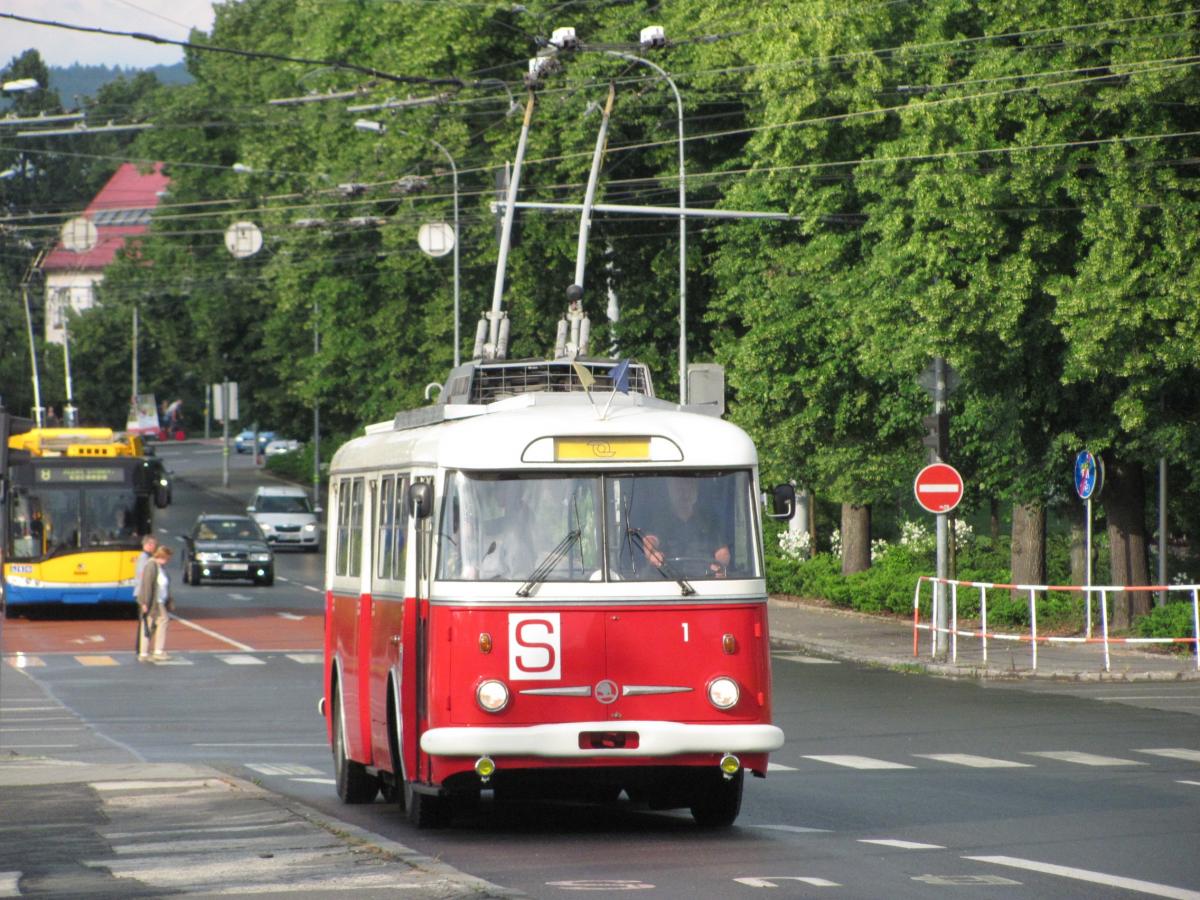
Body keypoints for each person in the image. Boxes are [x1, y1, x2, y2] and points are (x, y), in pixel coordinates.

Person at [639, 478, 731, 578]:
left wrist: (719, 565)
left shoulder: (708, 521)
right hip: (666, 580)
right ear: (670, 489)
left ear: (696, 491)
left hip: (705, 581)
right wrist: (653, 554)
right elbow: (650, 540)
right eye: (679, 488)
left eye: (689, 488)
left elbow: (722, 551)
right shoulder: (660, 520)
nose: (684, 493)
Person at [136, 545, 174, 661]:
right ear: (162, 556)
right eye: (167, 558)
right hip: (154, 601)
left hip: (159, 601)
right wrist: (145, 603)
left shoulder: (159, 566)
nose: (167, 561)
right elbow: (147, 585)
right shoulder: (151, 565)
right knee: (159, 621)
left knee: (150, 624)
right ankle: (155, 651)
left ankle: (145, 652)